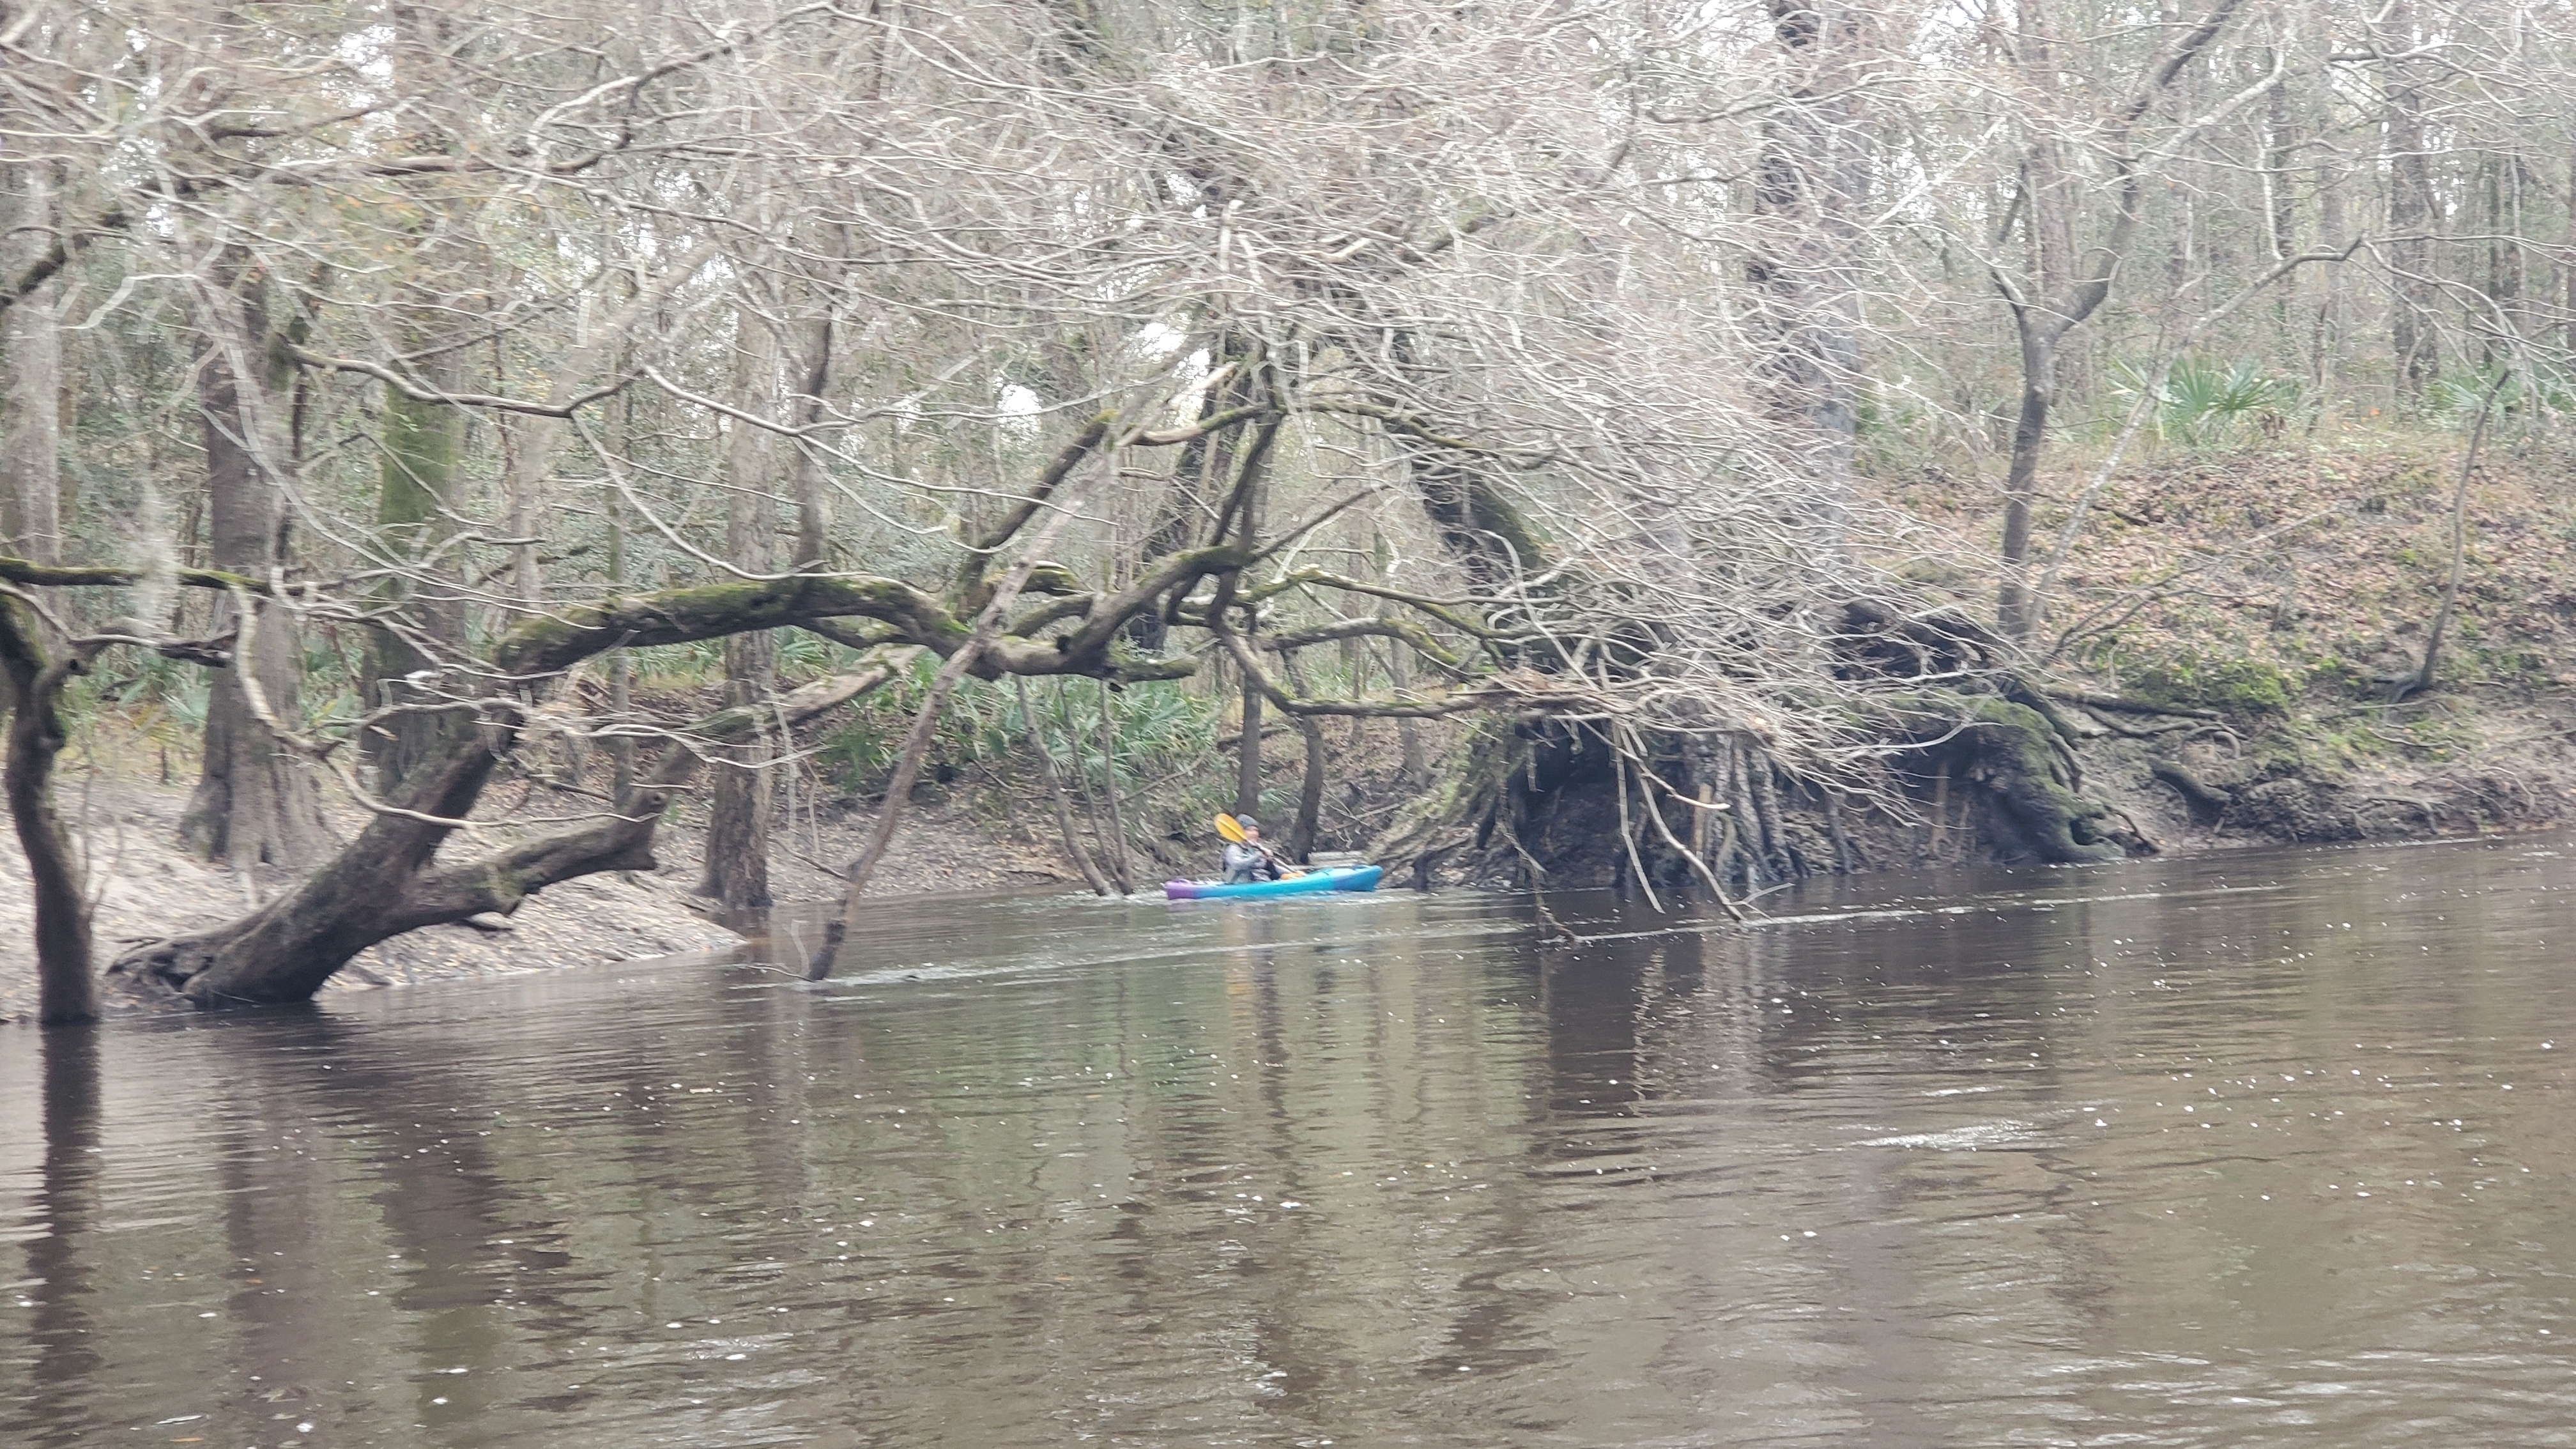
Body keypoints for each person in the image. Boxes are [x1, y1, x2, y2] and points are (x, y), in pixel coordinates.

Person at [1222, 816, 1283, 884]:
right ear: (1241, 832)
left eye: (1256, 830)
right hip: (1240, 886)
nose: (1254, 833)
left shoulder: (1255, 848)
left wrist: (1290, 874)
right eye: (1249, 830)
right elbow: (1236, 865)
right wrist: (1258, 856)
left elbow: (1268, 867)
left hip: (1262, 883)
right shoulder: (1233, 848)